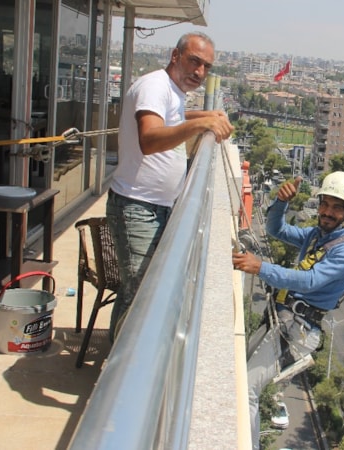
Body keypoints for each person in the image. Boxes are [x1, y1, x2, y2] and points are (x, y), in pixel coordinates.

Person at [106, 31, 234, 341]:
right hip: (138, 207)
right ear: (175, 56)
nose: (200, 73)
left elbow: (171, 118)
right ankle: (119, 377)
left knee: (141, 289)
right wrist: (200, 124)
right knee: (139, 295)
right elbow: (149, 139)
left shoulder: (170, 90)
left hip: (156, 207)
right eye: (194, 62)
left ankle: (119, 366)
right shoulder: (154, 86)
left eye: (206, 67)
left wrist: (204, 115)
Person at [232, 171, 344, 449]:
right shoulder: (317, 236)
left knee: (247, 390)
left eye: (336, 207)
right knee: (240, 380)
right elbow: (276, 230)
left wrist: (262, 268)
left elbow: (310, 280)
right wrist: (280, 203)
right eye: (325, 204)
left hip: (299, 330)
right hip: (285, 320)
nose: (327, 212)